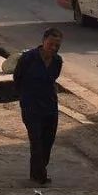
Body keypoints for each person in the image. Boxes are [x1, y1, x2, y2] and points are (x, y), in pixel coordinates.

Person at [14, 27, 63, 185]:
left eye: (57, 45)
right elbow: (17, 78)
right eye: (51, 44)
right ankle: (40, 175)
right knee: (36, 141)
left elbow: (53, 79)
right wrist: (25, 96)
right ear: (43, 42)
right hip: (31, 107)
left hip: (50, 107)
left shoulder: (57, 61)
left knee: (47, 142)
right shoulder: (28, 58)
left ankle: (36, 171)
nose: (53, 48)